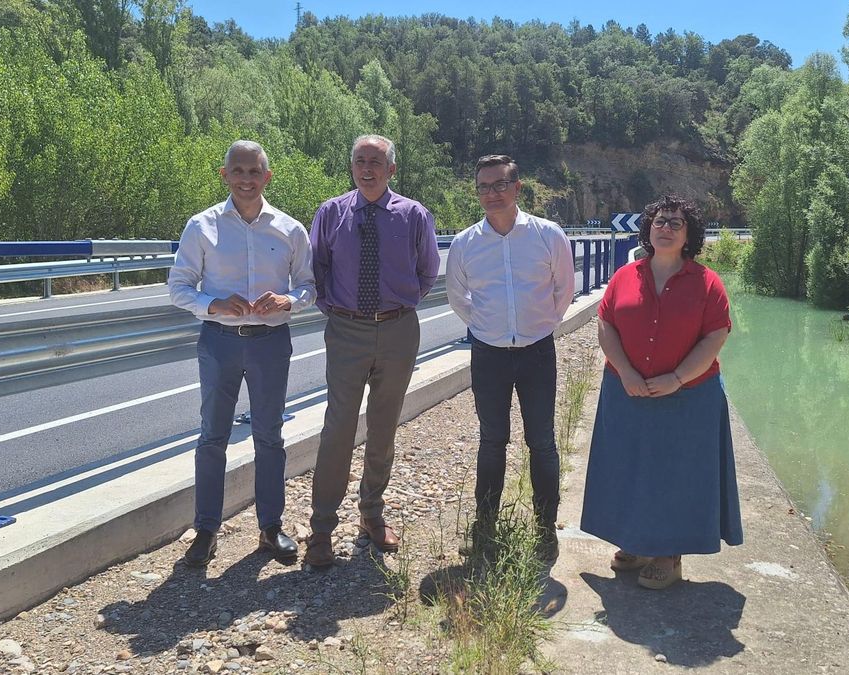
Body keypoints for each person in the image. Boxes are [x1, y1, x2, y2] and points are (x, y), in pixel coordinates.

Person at [580, 194, 742, 589]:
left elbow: (715, 336)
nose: (665, 228)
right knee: (630, 467)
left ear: (689, 235)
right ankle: (636, 542)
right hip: (627, 392)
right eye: (659, 221)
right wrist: (626, 371)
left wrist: (678, 378)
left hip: (689, 398)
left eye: (675, 223)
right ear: (648, 230)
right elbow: (606, 324)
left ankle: (669, 555)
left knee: (678, 475)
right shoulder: (624, 276)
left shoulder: (707, 282)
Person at [169, 140, 316, 566]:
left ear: (267, 177)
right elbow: (178, 286)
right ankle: (206, 530)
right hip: (219, 342)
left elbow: (309, 286)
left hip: (271, 343)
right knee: (212, 436)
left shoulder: (290, 229)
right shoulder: (202, 226)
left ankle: (270, 527)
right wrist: (213, 304)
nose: (246, 179)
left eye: (254, 172)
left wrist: (289, 301)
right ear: (224, 175)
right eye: (238, 171)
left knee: (269, 436)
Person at [304, 134, 441, 568]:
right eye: (360, 161)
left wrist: (398, 306)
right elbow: (316, 268)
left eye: (376, 162)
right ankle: (322, 528)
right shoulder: (330, 213)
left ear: (391, 170)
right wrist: (335, 309)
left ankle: (372, 514)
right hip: (346, 330)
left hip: (398, 330)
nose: (367, 168)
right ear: (352, 166)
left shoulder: (414, 215)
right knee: (338, 428)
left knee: (384, 426)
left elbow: (428, 271)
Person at [446, 154, 575, 561]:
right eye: (483, 187)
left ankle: (545, 527)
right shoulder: (465, 244)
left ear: (517, 188)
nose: (492, 194)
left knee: (542, 441)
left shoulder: (548, 235)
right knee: (492, 440)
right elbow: (457, 297)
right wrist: (487, 327)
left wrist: (541, 324)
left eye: (500, 184)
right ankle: (486, 525)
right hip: (489, 354)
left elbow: (564, 289)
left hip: (537, 352)